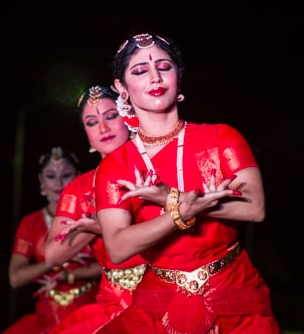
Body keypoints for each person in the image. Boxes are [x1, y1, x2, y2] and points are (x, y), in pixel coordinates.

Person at [94, 32, 281, 334]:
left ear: (179, 75)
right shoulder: (115, 167)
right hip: (159, 304)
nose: (155, 77)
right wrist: (180, 212)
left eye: (164, 67)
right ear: (121, 87)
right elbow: (117, 246)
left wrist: (172, 197)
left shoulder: (221, 138)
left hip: (233, 296)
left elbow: (254, 208)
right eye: (140, 71)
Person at [44, 85, 148, 334]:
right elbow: (52, 255)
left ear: (127, 116)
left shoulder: (158, 171)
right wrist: (97, 228)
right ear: (86, 134)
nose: (103, 128)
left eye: (111, 116)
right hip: (113, 302)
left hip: (166, 297)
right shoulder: (79, 189)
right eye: (92, 122)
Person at [3, 146, 102, 334]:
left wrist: (72, 275)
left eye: (66, 175)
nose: (58, 182)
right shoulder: (31, 223)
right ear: (41, 181)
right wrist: (56, 259)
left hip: (90, 310)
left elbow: (115, 261)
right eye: (50, 176)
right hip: (47, 314)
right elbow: (15, 278)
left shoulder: (93, 215)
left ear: (78, 177)